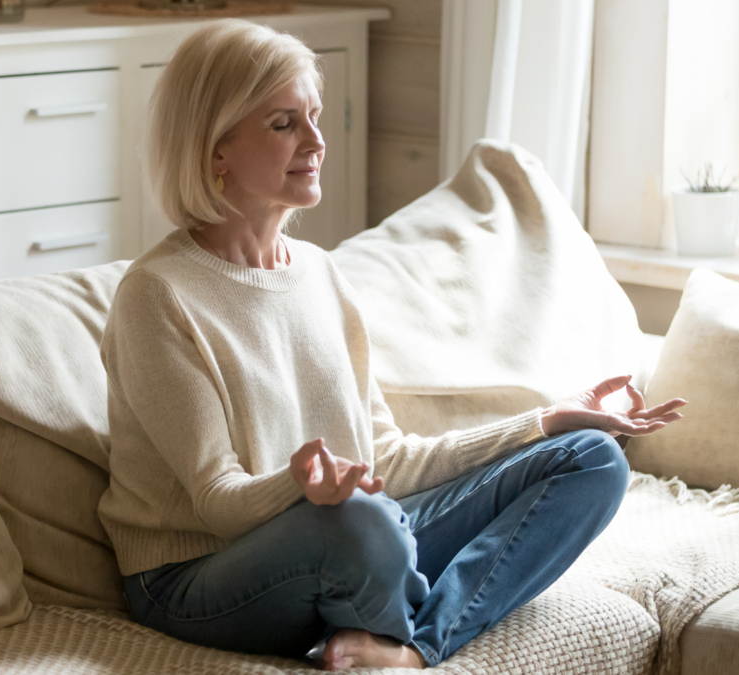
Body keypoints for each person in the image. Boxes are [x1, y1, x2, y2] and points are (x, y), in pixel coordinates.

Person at [99, 19, 686, 671]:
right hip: (195, 575)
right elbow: (216, 497)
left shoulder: (321, 274)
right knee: (363, 523)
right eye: (284, 123)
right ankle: (397, 610)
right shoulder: (157, 293)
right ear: (216, 152)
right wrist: (301, 486)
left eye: (315, 117)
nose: (318, 141)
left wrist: (547, 419)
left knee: (592, 459)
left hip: (343, 534)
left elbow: (389, 458)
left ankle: (406, 647)